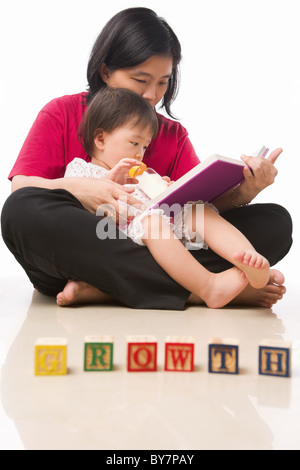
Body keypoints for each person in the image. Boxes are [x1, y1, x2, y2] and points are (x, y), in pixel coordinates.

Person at [1, 7, 292, 310]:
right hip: (87, 244)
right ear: (105, 71)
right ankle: (197, 288)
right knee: (20, 211)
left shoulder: (171, 134)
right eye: (141, 80)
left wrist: (246, 191)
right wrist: (83, 189)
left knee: (275, 223)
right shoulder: (62, 112)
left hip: (155, 243)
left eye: (163, 82)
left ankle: (104, 288)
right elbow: (22, 187)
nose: (152, 95)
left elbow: (198, 212)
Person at [58, 86, 275, 309]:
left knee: (198, 210)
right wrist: (109, 183)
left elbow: (159, 204)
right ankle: (208, 286)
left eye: (144, 146)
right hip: (121, 236)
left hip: (161, 229)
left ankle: (247, 258)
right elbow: (78, 207)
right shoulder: (81, 170)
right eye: (134, 143)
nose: (139, 153)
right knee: (151, 222)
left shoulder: (143, 174)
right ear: (101, 140)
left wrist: (168, 189)